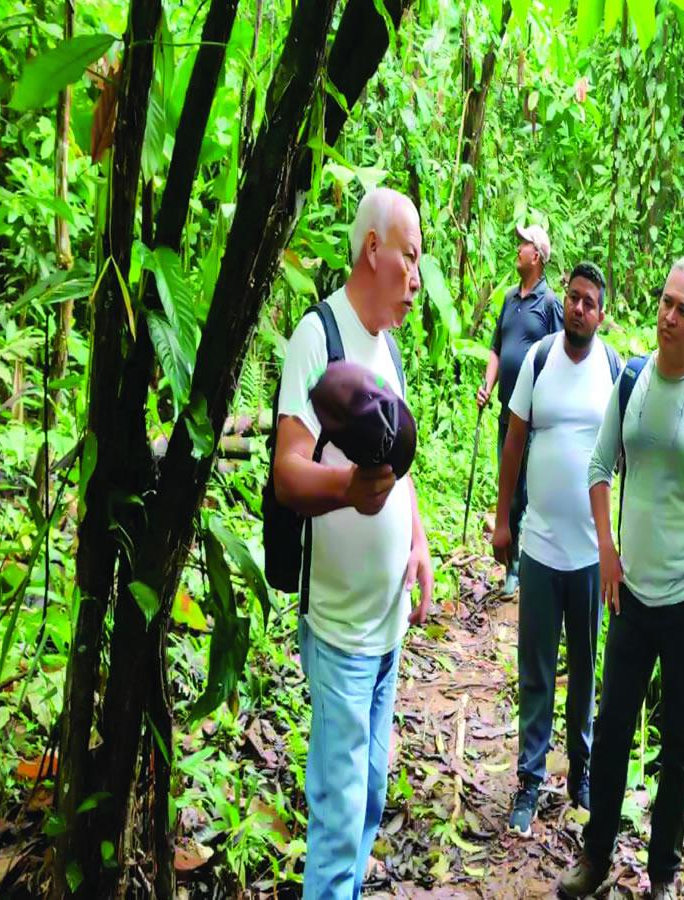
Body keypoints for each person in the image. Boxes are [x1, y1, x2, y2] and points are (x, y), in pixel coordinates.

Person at [559, 258, 684, 900]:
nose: (668, 317)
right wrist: (608, 553)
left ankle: (664, 874)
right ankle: (596, 859)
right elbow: (598, 466)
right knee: (612, 728)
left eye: (683, 311)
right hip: (631, 595)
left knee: (677, 749)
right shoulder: (632, 381)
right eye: (665, 303)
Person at [273, 187, 434, 900]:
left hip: (385, 623)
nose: (416, 279)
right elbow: (287, 473)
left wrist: (418, 544)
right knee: (339, 818)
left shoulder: (387, 347)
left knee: (369, 793)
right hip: (339, 628)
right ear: (373, 249)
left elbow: (396, 469)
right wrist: (344, 491)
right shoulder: (321, 336)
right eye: (410, 257)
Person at [491, 262, 620, 836]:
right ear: (562, 300)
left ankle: (581, 773)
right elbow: (514, 442)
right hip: (540, 546)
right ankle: (529, 777)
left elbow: (625, 457)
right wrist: (503, 523)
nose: (578, 308)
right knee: (537, 668)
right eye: (572, 298)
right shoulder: (539, 359)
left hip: (592, 553)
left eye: (590, 302)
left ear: (601, 313)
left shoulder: (613, 369)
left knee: (585, 668)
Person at [476, 223, 564, 595]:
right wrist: (487, 385)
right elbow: (498, 347)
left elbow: (561, 355)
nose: (518, 249)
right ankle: (513, 566)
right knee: (509, 488)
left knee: (529, 493)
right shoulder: (510, 298)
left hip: (536, 420)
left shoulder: (550, 304)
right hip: (506, 414)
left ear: (538, 256)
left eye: (524, 244)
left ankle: (526, 567)